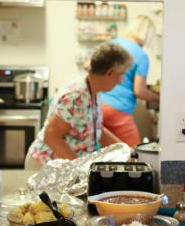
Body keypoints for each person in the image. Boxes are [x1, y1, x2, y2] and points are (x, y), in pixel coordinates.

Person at [24, 42, 131, 170]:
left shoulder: (93, 91)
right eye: (121, 74)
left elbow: (96, 129)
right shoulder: (76, 96)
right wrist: (78, 169)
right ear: (109, 73)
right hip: (44, 166)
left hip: (63, 168)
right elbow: (51, 135)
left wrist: (126, 150)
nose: (121, 80)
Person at [101, 15, 160, 147]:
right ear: (148, 34)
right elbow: (139, 91)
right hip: (118, 109)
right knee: (133, 153)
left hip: (98, 105)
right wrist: (158, 97)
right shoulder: (141, 55)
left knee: (105, 152)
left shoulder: (112, 43)